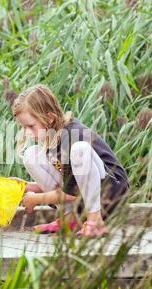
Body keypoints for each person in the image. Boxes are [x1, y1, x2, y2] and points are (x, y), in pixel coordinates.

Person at [10, 84, 129, 238]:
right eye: (23, 127)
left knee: (80, 149)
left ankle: (95, 221)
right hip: (86, 194)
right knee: (31, 154)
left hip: (109, 194)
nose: (26, 132)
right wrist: (26, 187)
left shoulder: (72, 136)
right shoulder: (53, 138)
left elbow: (73, 192)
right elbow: (69, 181)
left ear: (50, 118)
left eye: (30, 126)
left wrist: (36, 199)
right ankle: (71, 218)